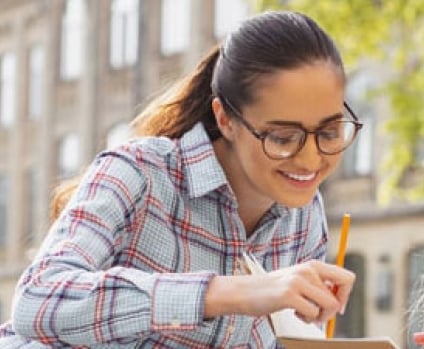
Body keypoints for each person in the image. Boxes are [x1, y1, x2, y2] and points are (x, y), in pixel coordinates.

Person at [0, 10, 359, 348]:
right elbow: (38, 298)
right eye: (282, 137)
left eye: (329, 133)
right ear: (225, 119)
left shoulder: (304, 215)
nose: (311, 159)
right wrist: (233, 292)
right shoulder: (139, 172)